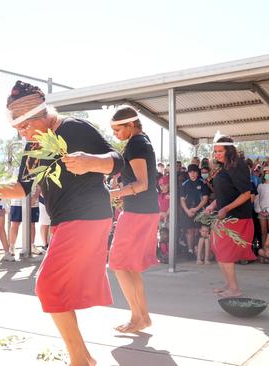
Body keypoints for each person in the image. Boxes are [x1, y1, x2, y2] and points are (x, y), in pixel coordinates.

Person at [0, 81, 123, 366]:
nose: (22, 133)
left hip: (87, 215)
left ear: (42, 115)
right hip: (65, 220)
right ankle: (82, 358)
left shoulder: (74, 128)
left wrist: (91, 161)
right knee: (58, 288)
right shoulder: (34, 146)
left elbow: (118, 162)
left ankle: (81, 360)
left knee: (48, 285)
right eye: (18, 128)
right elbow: (22, 187)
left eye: (25, 126)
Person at [108, 107, 160, 333]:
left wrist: (112, 194)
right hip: (144, 210)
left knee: (118, 264)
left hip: (138, 212)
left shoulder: (137, 143)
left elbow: (142, 184)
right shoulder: (142, 141)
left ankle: (137, 317)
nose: (115, 134)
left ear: (131, 125)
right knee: (130, 267)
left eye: (118, 129)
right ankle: (143, 317)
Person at [205, 135, 256, 298]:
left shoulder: (238, 166)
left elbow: (246, 194)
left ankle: (234, 289)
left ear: (229, 150)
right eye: (215, 151)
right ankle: (228, 284)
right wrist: (213, 205)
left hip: (237, 216)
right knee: (218, 249)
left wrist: (226, 208)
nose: (217, 154)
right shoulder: (225, 166)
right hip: (223, 215)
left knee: (225, 252)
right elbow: (225, 191)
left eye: (220, 151)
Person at [179, 164, 210, 259]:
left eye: (194, 172)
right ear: (188, 173)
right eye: (190, 172)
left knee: (197, 231)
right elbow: (182, 200)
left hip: (200, 211)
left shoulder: (202, 183)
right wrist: (187, 210)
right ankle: (190, 251)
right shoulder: (184, 184)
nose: (192, 174)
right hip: (187, 211)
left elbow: (205, 199)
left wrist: (196, 209)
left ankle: (198, 251)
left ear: (197, 173)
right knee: (189, 231)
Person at [8, 186, 40, 258]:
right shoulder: (14, 174)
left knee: (32, 224)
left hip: (33, 202)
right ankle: (11, 247)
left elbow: (39, 186)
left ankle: (31, 246)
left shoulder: (36, 174)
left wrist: (35, 197)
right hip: (17, 202)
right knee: (15, 224)